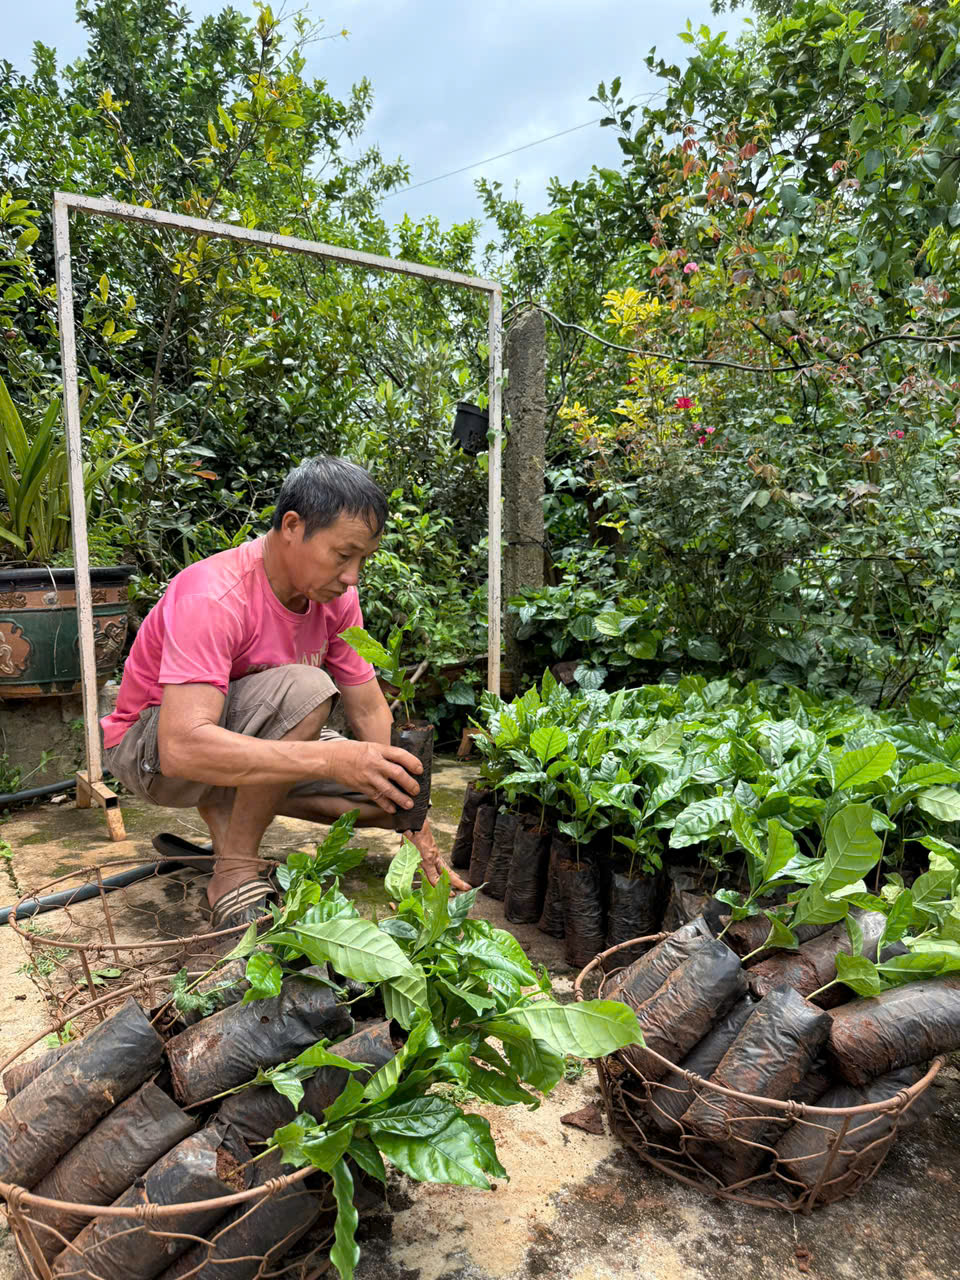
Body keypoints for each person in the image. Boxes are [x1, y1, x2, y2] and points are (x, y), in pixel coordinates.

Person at [101, 455, 470, 929]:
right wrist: (332, 761)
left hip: (237, 745)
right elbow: (181, 749)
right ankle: (234, 867)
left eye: (363, 560)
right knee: (306, 687)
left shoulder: (336, 598)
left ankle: (231, 815)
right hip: (150, 753)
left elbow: (367, 704)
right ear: (292, 526)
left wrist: (412, 825)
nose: (353, 575)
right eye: (343, 555)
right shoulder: (212, 595)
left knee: (381, 794)